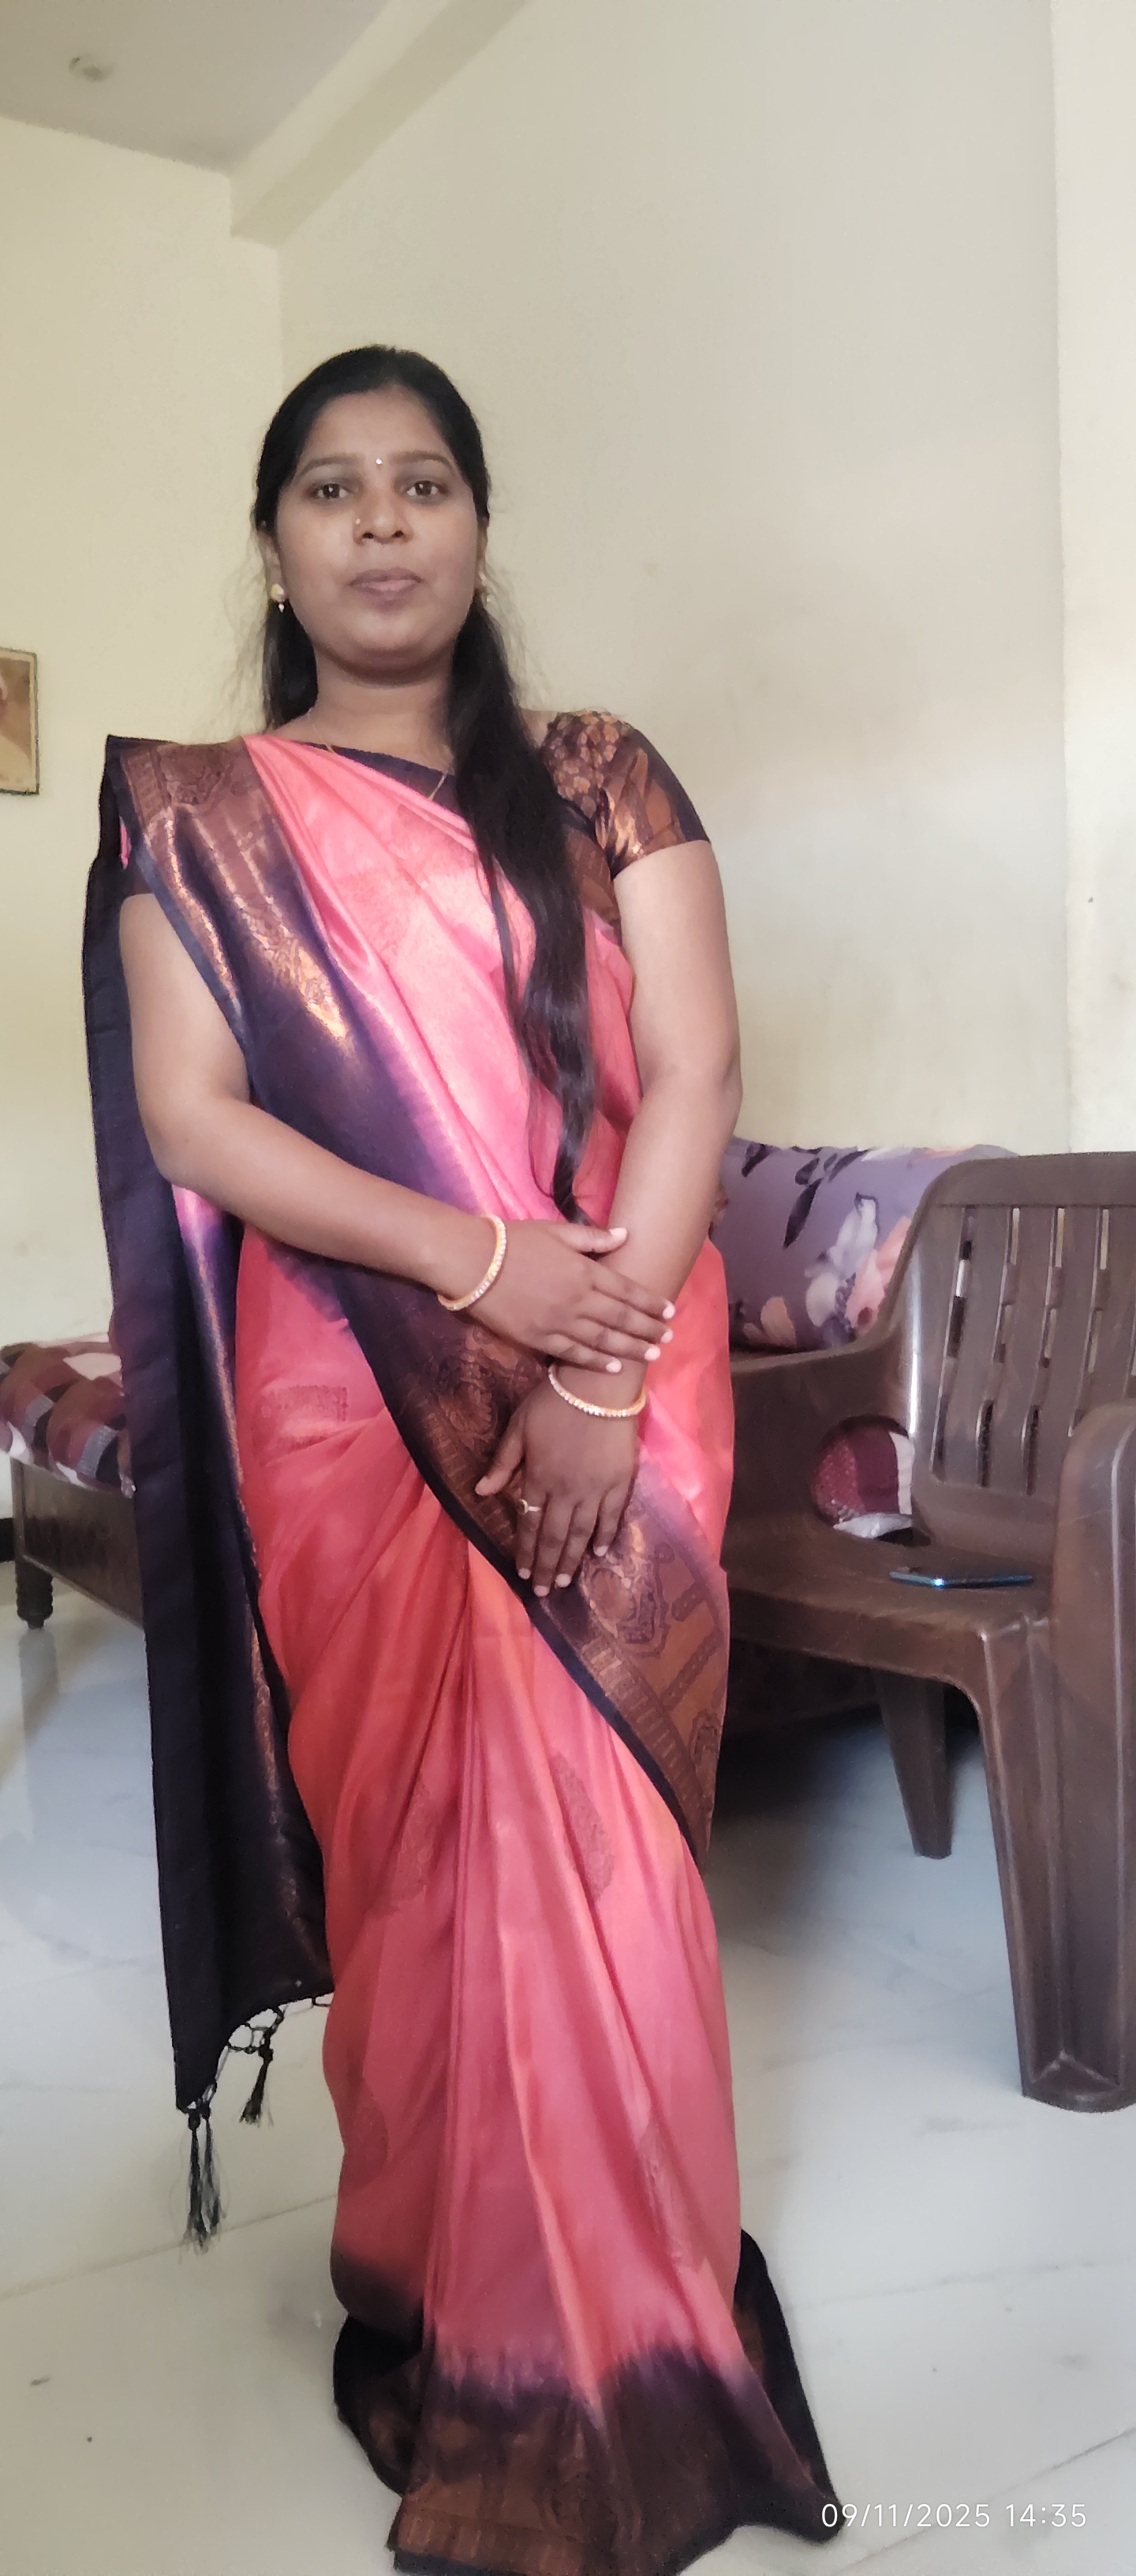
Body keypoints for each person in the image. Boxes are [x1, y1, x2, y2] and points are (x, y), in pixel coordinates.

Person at [84, 346, 839, 2574]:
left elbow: (697, 1073)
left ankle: (628, 2324)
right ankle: (455, 2297)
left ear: (480, 528)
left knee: (596, 1848)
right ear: (275, 544)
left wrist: (598, 1370)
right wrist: (480, 1262)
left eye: (424, 484)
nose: (383, 524)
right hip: (355, 1386)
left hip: (620, 1348)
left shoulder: (597, 773)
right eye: (334, 489)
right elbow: (197, 1116)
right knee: (418, 1861)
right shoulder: (198, 816)